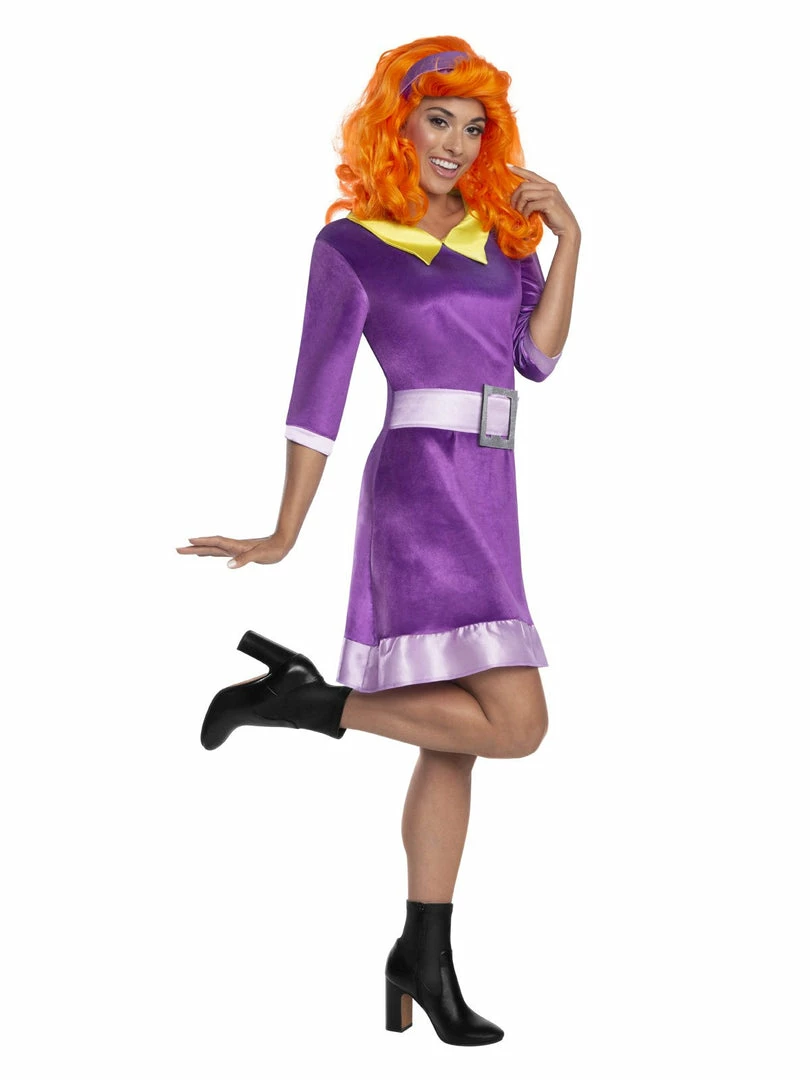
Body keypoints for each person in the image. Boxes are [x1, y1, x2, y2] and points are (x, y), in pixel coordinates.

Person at [176, 35, 580, 1046]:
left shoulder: (502, 234)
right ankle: (310, 703)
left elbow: (535, 361)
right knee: (517, 721)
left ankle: (424, 957)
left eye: (475, 126)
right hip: (417, 492)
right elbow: (317, 396)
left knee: (460, 738)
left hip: (492, 491)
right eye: (439, 119)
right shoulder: (352, 247)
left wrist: (570, 239)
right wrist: (283, 531)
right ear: (396, 124)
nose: (457, 143)